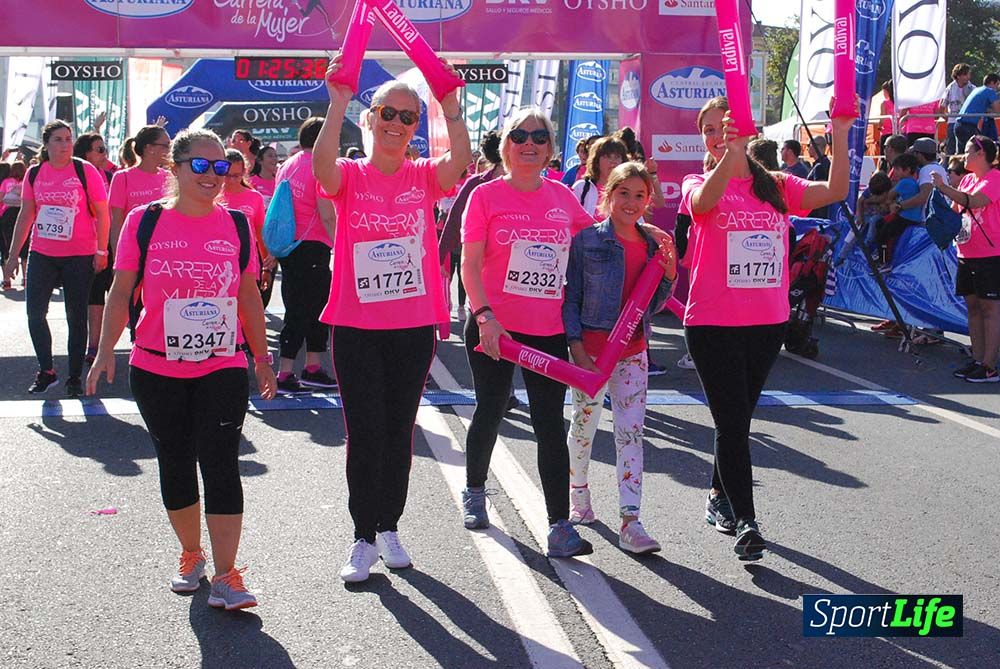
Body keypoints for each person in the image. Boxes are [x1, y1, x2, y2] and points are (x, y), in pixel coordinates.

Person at [87, 128, 277, 609]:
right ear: (176, 167)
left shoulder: (235, 224)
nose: (213, 176)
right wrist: (105, 349)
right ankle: (191, 555)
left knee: (220, 463)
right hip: (156, 368)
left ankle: (228, 575)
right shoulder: (142, 222)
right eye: (201, 166)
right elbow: (121, 289)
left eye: (221, 167)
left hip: (222, 365)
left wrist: (261, 358)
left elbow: (248, 295)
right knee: (174, 462)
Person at [313, 58, 472, 583]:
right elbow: (322, 170)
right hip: (357, 326)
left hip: (411, 324)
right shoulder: (353, 175)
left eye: (407, 117)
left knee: (400, 429)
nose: (397, 123)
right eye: (388, 112)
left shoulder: (423, 175)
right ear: (372, 117)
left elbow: (460, 164)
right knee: (365, 430)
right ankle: (362, 535)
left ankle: (389, 526)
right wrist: (337, 100)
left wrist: (448, 106)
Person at [683, 95, 854, 560]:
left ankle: (719, 494)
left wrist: (839, 130)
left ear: (748, 130)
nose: (717, 136)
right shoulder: (698, 180)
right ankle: (747, 521)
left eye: (726, 128)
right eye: (710, 130)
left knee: (736, 421)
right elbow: (705, 201)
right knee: (733, 424)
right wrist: (731, 156)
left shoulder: (776, 185)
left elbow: (835, 190)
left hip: (767, 323)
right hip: (712, 323)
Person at [460, 107, 597, 557]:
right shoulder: (485, 196)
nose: (529, 143)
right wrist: (484, 317)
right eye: (519, 136)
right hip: (495, 328)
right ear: (506, 146)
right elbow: (470, 264)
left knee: (548, 425)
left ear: (550, 149)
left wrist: (643, 229)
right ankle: (475, 489)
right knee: (492, 409)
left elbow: (598, 242)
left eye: (539, 137)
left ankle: (559, 525)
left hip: (547, 331)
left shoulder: (561, 197)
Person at [562, 162, 677, 554]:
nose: (631, 202)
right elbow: (571, 300)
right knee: (585, 426)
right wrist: (577, 351)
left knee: (631, 434)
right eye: (623, 193)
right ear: (608, 195)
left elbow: (653, 304)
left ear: (648, 201)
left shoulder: (652, 244)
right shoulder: (586, 242)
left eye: (639, 195)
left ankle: (631, 520)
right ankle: (579, 497)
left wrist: (669, 274)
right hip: (590, 355)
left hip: (632, 354)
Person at [2, 120, 110, 397]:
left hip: (79, 254)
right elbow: (26, 214)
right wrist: (13, 255)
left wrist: (101, 251)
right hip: (43, 253)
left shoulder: (84, 170)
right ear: (46, 144)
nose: (65, 145)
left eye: (68, 139)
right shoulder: (35, 173)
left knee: (76, 317)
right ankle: (47, 370)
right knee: (35, 314)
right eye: (59, 140)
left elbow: (102, 212)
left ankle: (74, 375)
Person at [94, 125, 172, 363]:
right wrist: (119, 255)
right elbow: (116, 221)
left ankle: (164, 353)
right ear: (149, 149)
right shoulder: (123, 177)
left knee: (162, 305)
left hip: (166, 256)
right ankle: (140, 354)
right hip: (135, 255)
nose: (168, 150)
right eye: (165, 146)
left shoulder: (169, 178)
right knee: (134, 305)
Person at [273, 117, 338, 393]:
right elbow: (326, 213)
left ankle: (311, 367)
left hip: (290, 244)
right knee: (307, 310)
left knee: (303, 307)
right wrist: (341, 245)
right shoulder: (318, 165)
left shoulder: (289, 163)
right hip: (313, 243)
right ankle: (287, 372)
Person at [931, 136, 1000, 382]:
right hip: (966, 251)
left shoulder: (995, 179)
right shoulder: (969, 179)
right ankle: (978, 359)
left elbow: (974, 201)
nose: (964, 155)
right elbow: (955, 210)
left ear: (981, 154)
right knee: (973, 308)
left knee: (990, 309)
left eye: (969, 150)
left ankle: (990, 365)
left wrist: (943, 187)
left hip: (991, 254)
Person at [220, 149, 275, 308]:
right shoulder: (212, 195)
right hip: (220, 266)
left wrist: (266, 268)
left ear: (244, 172)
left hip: (248, 266)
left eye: (236, 175)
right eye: (227, 175)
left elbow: (260, 233)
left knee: (247, 315)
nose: (230, 180)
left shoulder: (254, 197)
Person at [872, 153, 923, 272]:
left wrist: (889, 202)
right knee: (880, 224)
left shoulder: (905, 182)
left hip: (906, 218)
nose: (894, 171)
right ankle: (881, 253)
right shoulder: (912, 182)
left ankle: (883, 261)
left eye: (897, 169)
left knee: (883, 234)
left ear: (907, 170)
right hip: (907, 216)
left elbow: (890, 194)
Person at [572, 136, 627, 220]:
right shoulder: (581, 187)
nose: (613, 161)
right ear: (596, 161)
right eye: (607, 156)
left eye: (617, 157)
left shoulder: (628, 190)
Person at [0, 161, 28, 287]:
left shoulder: (6, 182)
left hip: (7, 214)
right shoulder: (26, 181)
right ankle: (26, 278)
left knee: (7, 245)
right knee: (25, 245)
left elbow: (1, 198)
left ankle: (7, 280)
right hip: (23, 213)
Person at [956, 74, 1000, 147]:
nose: (997, 87)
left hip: (959, 125)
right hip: (968, 127)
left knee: (962, 154)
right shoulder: (990, 91)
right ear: (992, 83)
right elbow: (998, 111)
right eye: (997, 84)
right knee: (978, 150)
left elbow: (984, 109)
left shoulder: (977, 90)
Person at [943, 64, 976, 155]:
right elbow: (941, 107)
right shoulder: (950, 88)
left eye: (969, 74)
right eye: (965, 74)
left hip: (967, 123)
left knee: (967, 148)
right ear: (958, 75)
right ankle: (950, 167)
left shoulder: (973, 89)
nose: (968, 77)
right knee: (951, 148)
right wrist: (948, 119)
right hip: (953, 122)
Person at [878, 81, 896, 155]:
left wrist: (879, 126)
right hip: (898, 132)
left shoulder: (884, 103)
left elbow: (882, 119)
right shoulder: (899, 103)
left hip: (887, 133)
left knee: (884, 155)